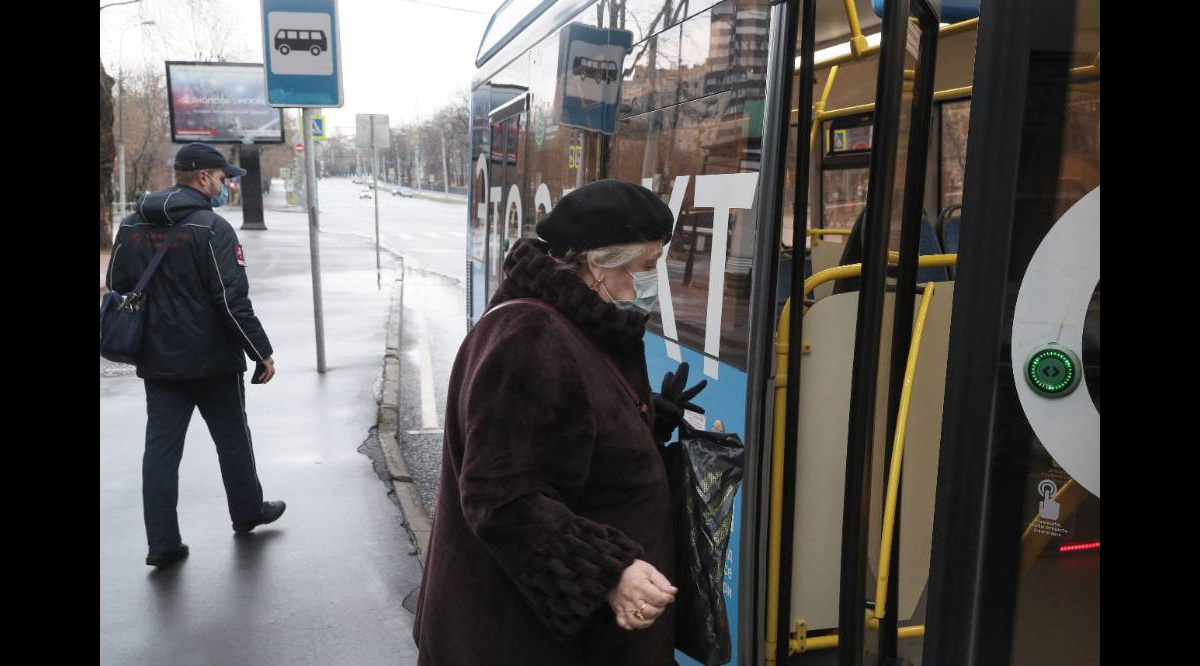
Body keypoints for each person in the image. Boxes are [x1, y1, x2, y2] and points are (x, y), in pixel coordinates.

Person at [413, 179, 705, 664]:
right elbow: (502, 498)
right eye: (648, 266)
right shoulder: (530, 338)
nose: (656, 281)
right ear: (596, 262)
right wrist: (608, 573)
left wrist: (644, 425)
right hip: (524, 641)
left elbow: (565, 444)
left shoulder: (578, 321)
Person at [105, 143, 286, 568]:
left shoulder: (131, 225)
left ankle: (163, 543)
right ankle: (247, 512)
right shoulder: (213, 229)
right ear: (203, 178)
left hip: (158, 360)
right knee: (232, 439)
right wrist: (261, 352)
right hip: (213, 360)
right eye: (223, 180)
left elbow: (116, 282)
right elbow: (231, 301)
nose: (226, 188)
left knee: (161, 451)